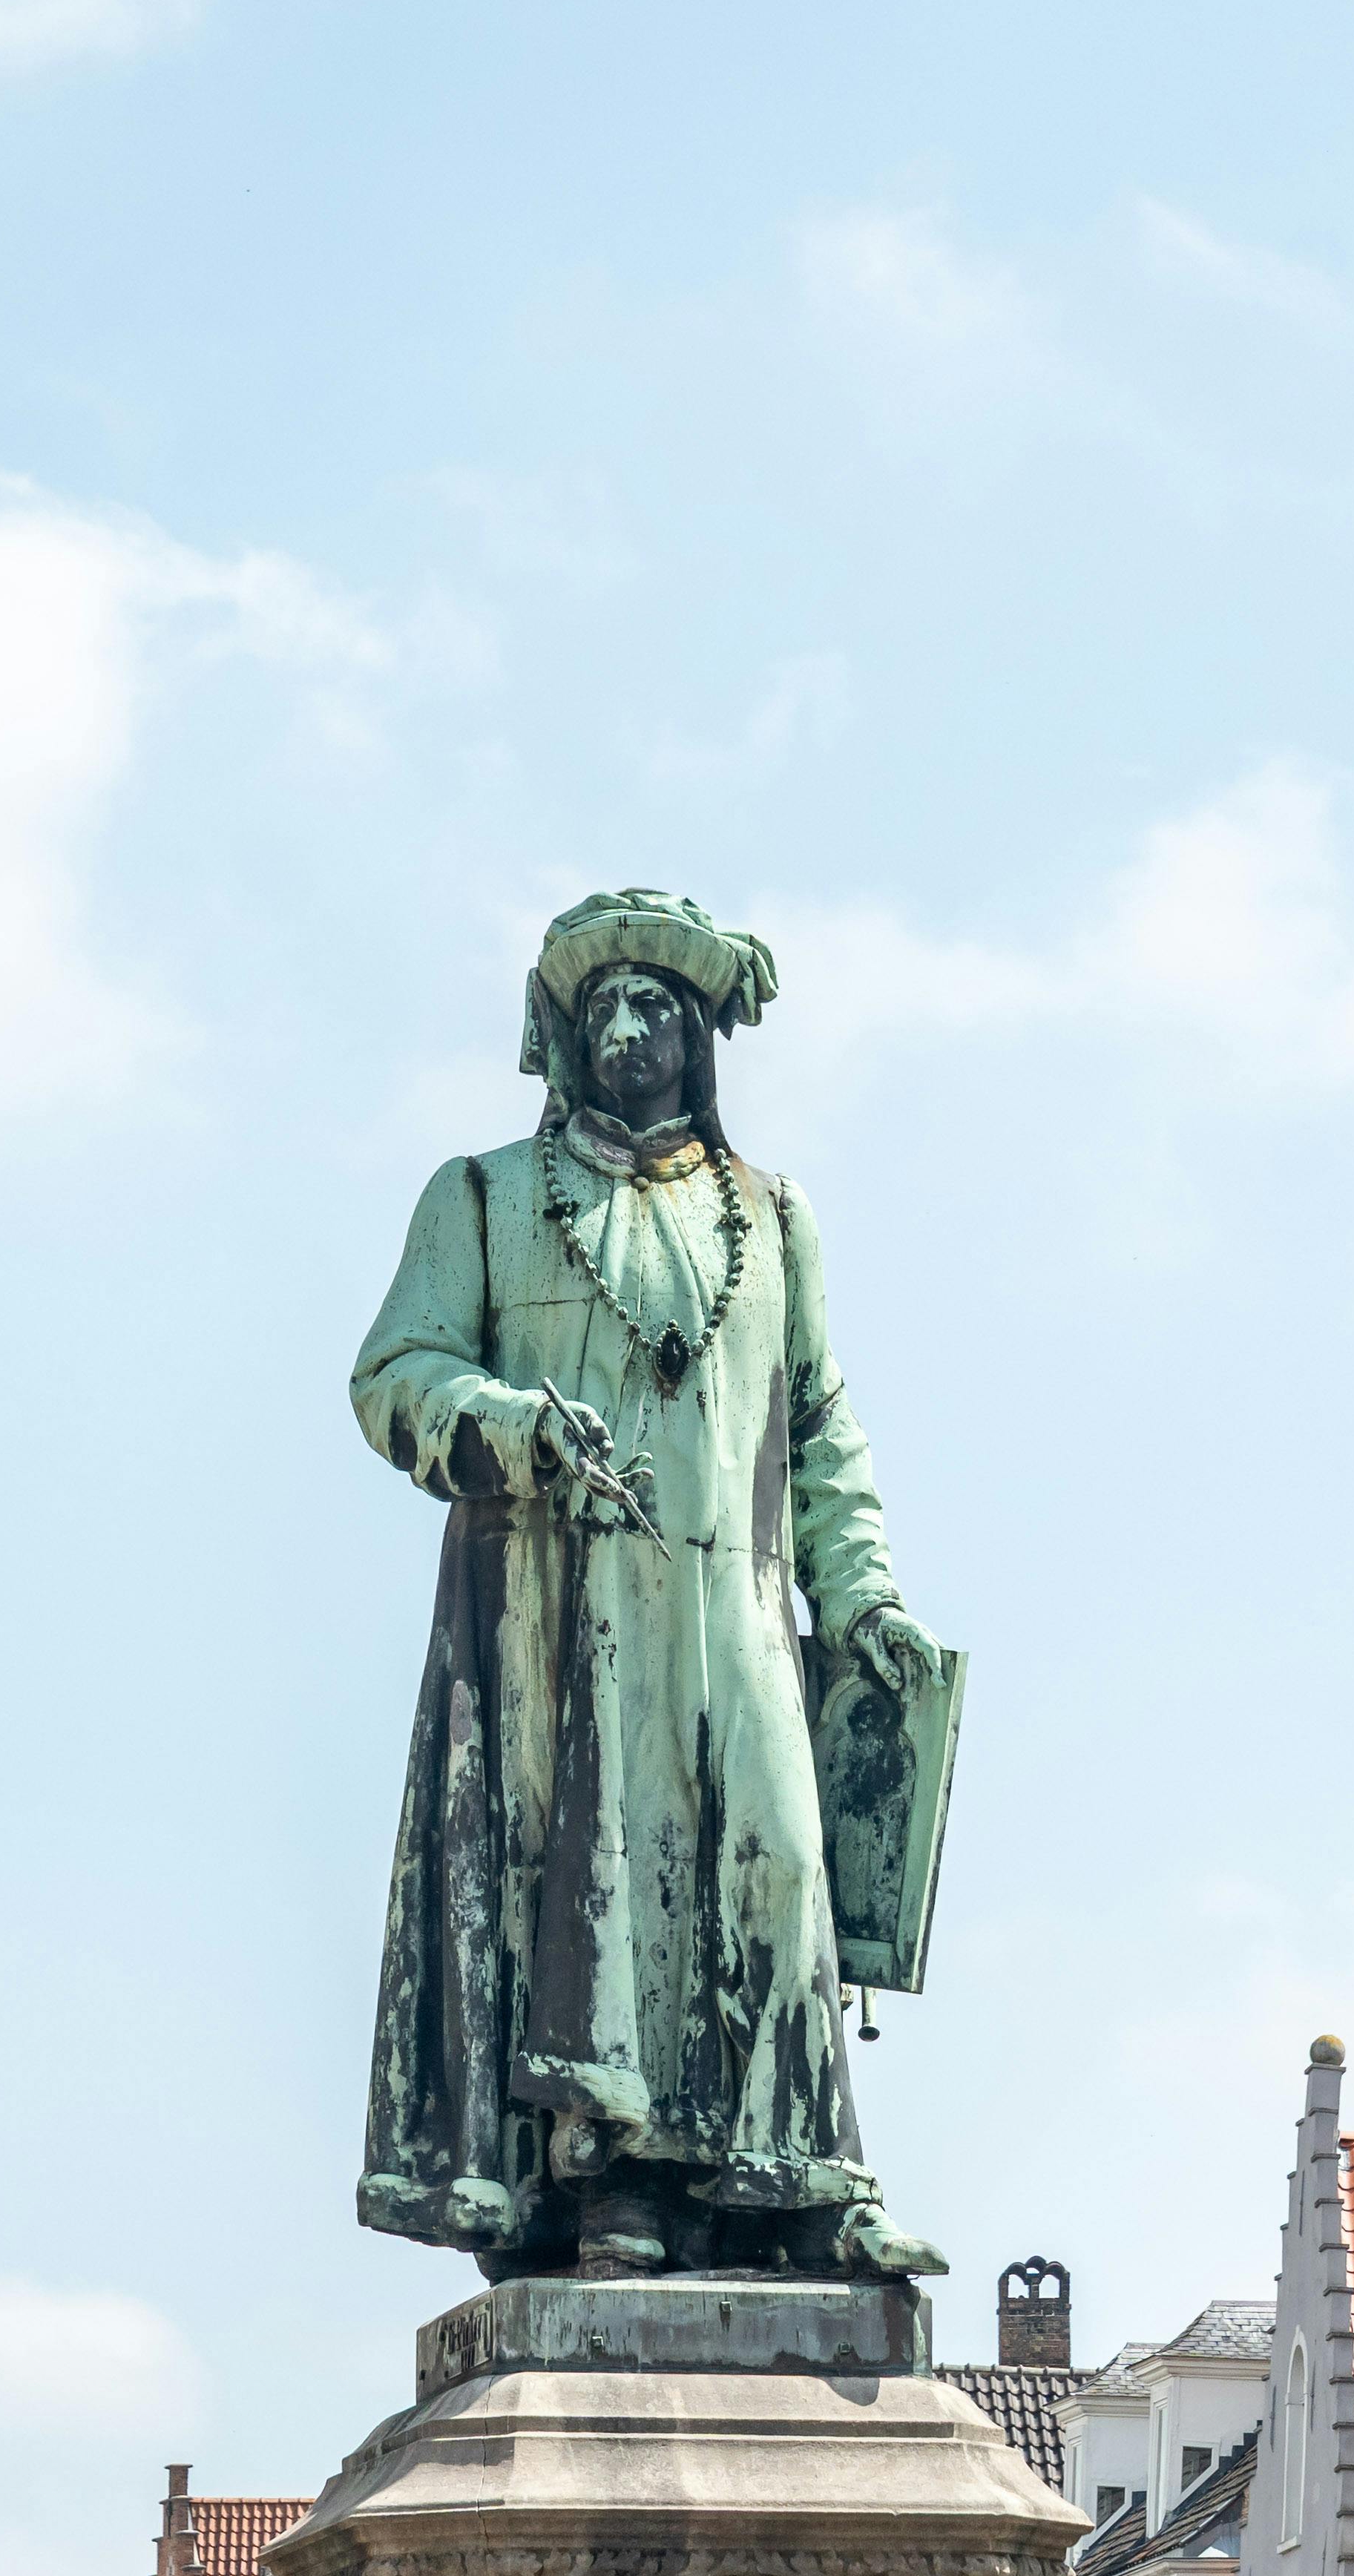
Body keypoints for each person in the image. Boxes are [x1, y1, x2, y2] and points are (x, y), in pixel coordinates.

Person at [349, 887, 947, 2281]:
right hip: (563, 1603)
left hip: (737, 1607)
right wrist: (508, 1425)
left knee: (780, 1866)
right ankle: (612, 2173)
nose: (626, 1030)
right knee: (603, 1882)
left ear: (696, 1032)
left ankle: (797, 2175)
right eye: (599, 1006)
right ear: (565, 1037)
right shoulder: (484, 1196)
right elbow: (394, 1374)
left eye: (655, 1006)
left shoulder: (771, 1214)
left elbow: (819, 1428)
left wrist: (862, 1596)